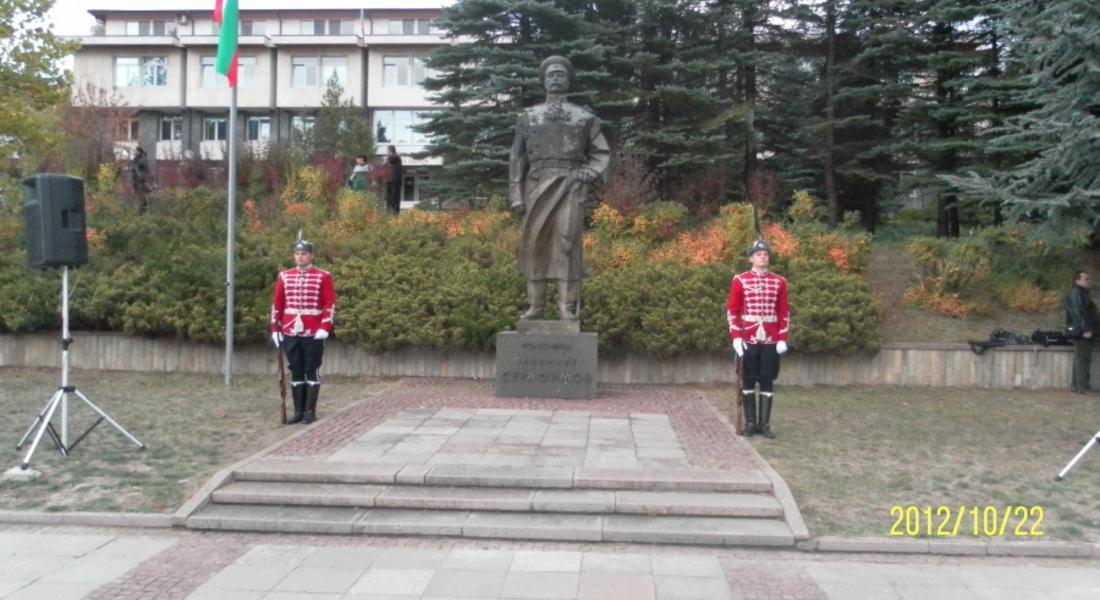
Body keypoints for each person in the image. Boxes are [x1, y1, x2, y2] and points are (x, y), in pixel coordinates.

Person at [508, 55, 610, 320]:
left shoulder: (584, 117)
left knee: (567, 243)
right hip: (536, 186)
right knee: (535, 244)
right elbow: (517, 158)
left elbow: (601, 153)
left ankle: (567, 307)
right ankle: (536, 306)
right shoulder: (528, 117)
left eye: (560, 74)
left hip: (570, 185)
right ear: (543, 81)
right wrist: (516, 194)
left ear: (568, 80)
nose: (555, 77)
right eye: (551, 74)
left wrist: (589, 171)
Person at [727, 239, 790, 438]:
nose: (763, 256)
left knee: (767, 380)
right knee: (748, 379)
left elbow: (783, 311)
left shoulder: (779, 281)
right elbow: (733, 311)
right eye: (759, 254)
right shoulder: (740, 280)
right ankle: (751, 423)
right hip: (748, 337)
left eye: (766, 254)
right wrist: (736, 337)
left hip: (771, 338)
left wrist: (782, 337)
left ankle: (764, 425)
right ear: (751, 258)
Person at [270, 239, 336, 424]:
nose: (300, 257)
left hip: (314, 331)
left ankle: (310, 412)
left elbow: (329, 304)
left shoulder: (323, 276)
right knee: (296, 370)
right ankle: (298, 411)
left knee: (311, 369)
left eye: (304, 253)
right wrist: (275, 328)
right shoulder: (285, 276)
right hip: (291, 330)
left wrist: (325, 326)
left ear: (311, 255)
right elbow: (278, 304)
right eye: (297, 253)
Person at [1065, 270, 1098, 393]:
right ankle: (1082, 388)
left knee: (1080, 358)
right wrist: (1086, 329)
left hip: (1081, 330)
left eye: (1089, 279)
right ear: (1077, 280)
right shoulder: (1077, 293)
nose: (1089, 281)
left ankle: (1076, 386)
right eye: (1086, 279)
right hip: (1082, 331)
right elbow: (1079, 312)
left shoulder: (1081, 293)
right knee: (1083, 359)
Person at [129, 146, 151, 213]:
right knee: (138, 195)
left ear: (139, 152)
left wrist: (142, 176)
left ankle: (142, 210)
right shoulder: (136, 159)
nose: (134, 152)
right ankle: (141, 210)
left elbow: (147, 170)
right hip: (136, 180)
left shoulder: (143, 159)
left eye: (135, 151)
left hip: (141, 181)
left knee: (141, 195)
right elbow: (134, 168)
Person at [385, 145, 402, 213]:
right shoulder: (394, 157)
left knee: (394, 198)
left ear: (390, 151)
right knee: (389, 197)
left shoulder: (395, 157)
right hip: (391, 181)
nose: (386, 152)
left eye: (387, 151)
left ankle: (394, 213)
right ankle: (390, 211)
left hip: (394, 182)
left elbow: (389, 161)